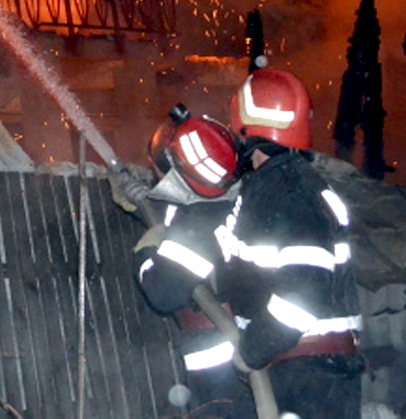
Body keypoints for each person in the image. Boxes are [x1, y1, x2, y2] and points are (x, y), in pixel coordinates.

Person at [218, 67, 364, 418]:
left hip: (308, 372)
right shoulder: (277, 185)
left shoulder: (289, 193)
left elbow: (303, 295)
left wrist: (253, 349)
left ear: (245, 128)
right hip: (302, 367)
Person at [132, 105, 255, 418]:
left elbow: (163, 292)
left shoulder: (198, 222)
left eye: (160, 168)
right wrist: (139, 205)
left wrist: (146, 253)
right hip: (244, 361)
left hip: (222, 371)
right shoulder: (231, 202)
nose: (155, 174)